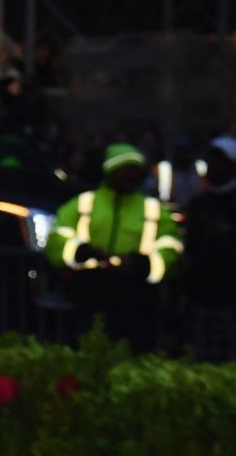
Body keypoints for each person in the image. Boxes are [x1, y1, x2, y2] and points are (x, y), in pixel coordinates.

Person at [46, 142, 182, 352]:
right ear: (111, 171)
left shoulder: (154, 210)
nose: (130, 175)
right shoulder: (83, 204)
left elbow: (171, 248)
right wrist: (83, 251)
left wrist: (142, 264)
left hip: (137, 297)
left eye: (135, 171)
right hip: (88, 294)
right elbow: (56, 239)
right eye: (125, 170)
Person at [178, 135, 236, 361]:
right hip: (201, 299)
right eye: (210, 160)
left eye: (220, 161)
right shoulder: (199, 204)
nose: (213, 167)